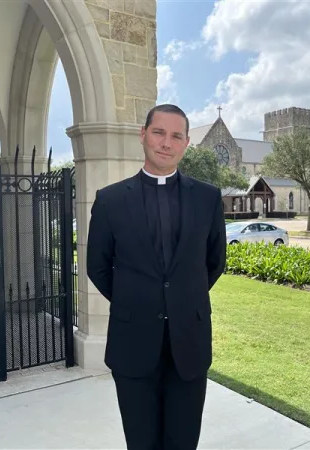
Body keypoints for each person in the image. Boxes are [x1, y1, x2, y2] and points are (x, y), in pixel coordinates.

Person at [86, 104, 227, 449]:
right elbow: (97, 266)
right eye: (159, 132)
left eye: (176, 136)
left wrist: (178, 298)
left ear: (186, 143)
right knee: (141, 442)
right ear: (143, 135)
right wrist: (136, 301)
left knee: (182, 442)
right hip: (133, 342)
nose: (167, 142)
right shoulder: (110, 200)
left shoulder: (208, 199)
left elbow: (215, 262)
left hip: (189, 343)